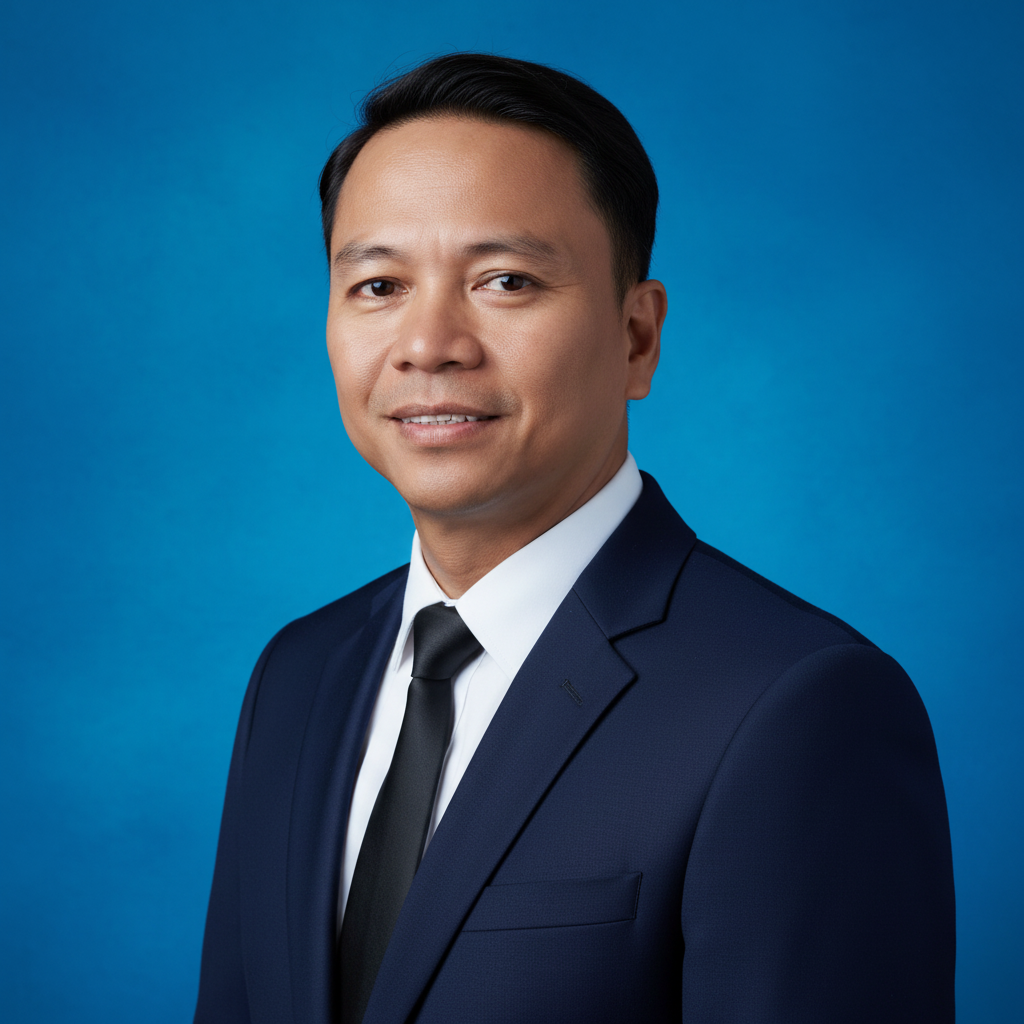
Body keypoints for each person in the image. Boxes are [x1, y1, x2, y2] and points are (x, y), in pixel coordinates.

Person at [193, 53, 955, 1024]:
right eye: (378, 285)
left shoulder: (798, 705)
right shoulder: (298, 676)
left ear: (637, 336)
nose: (428, 345)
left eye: (505, 280)